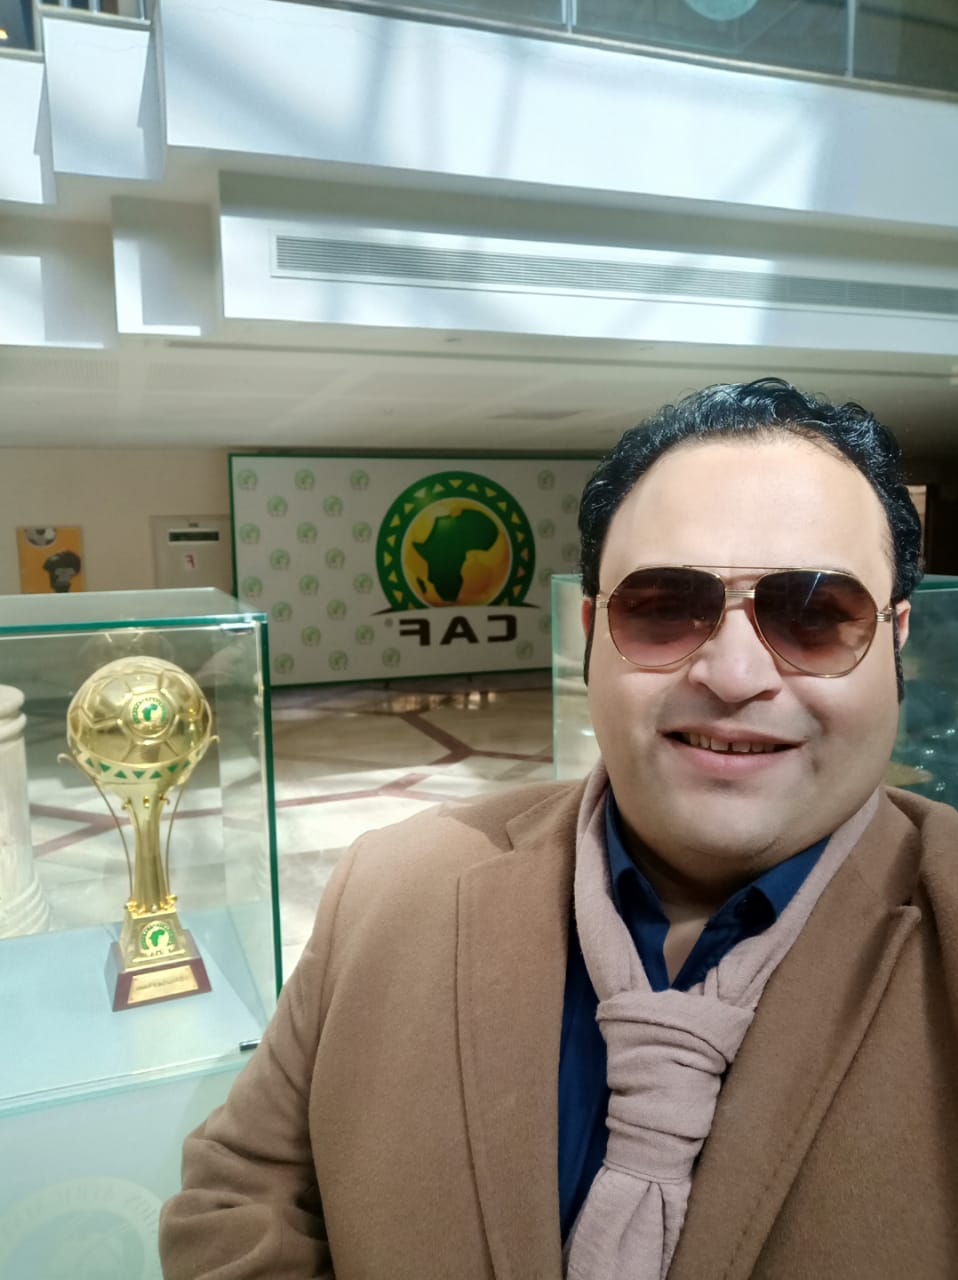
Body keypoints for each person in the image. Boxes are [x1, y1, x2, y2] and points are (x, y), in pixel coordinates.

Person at [159, 378, 958, 1279]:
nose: (735, 675)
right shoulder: (390, 890)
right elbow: (239, 1197)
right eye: (664, 608)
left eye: (813, 615)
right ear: (590, 634)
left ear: (896, 641)